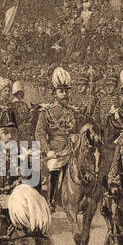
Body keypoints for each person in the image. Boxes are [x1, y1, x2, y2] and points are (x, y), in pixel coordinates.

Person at [35, 67, 79, 206]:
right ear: (55, 93)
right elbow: (40, 132)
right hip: (53, 152)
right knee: (53, 167)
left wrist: (75, 136)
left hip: (71, 150)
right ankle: (51, 200)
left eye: (66, 91)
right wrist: (47, 149)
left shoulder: (72, 112)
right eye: (61, 91)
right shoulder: (46, 113)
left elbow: (76, 131)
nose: (65, 94)